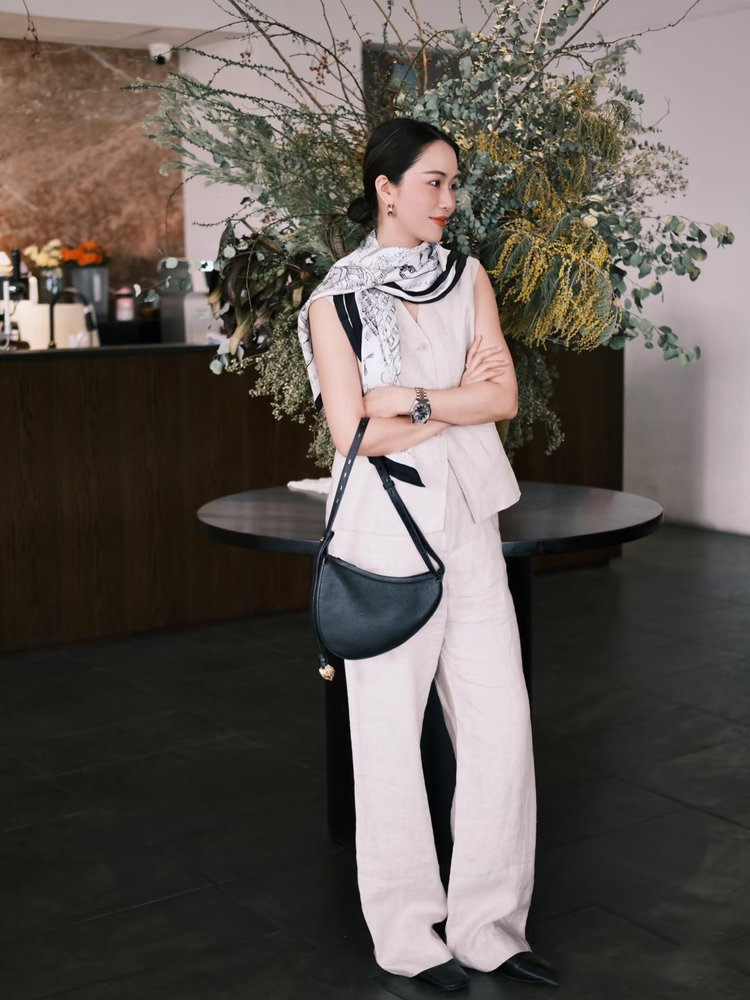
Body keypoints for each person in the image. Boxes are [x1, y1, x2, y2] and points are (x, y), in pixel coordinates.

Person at [298, 118, 558, 992]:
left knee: (500, 730)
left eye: (453, 183)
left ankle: (491, 929)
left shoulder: (467, 276)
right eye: (433, 183)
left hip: (471, 524)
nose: (450, 199)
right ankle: (410, 938)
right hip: (385, 535)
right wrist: (453, 401)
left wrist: (410, 398)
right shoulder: (335, 299)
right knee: (386, 741)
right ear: (387, 188)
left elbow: (503, 396)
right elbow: (351, 433)